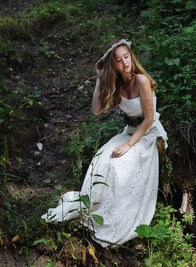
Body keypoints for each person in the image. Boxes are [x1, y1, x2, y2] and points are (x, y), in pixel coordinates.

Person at [41, 39, 168, 247]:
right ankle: (95, 208)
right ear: (113, 65)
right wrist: (100, 79)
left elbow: (149, 119)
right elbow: (97, 110)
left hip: (147, 134)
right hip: (129, 132)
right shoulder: (117, 84)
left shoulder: (141, 80)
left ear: (131, 56)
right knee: (102, 159)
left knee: (120, 166)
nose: (124, 62)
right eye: (118, 60)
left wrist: (128, 146)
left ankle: (116, 215)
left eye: (126, 57)